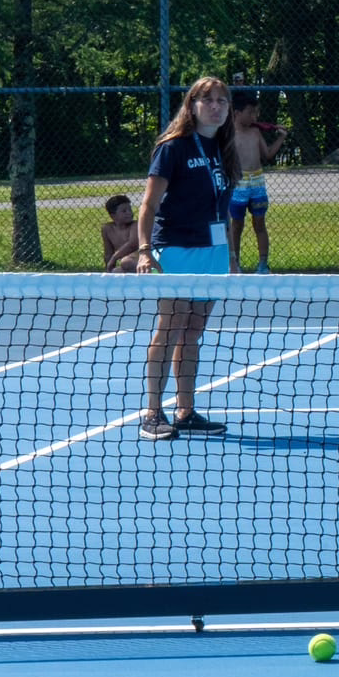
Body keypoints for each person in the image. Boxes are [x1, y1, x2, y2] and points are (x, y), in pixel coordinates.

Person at [131, 76, 235, 440]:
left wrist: (231, 255)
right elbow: (148, 204)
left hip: (214, 254)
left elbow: (222, 209)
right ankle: (152, 412)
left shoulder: (224, 147)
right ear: (192, 105)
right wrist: (145, 250)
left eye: (222, 101)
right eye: (208, 100)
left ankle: (186, 410)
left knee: (193, 331)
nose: (217, 107)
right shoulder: (172, 147)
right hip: (175, 249)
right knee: (170, 328)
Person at [225, 90, 287, 274]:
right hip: (238, 184)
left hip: (257, 183)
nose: (255, 116)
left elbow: (267, 154)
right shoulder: (227, 134)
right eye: (250, 112)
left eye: (255, 112)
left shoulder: (255, 132)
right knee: (236, 225)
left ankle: (263, 264)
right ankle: (234, 263)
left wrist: (281, 137)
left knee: (259, 224)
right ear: (236, 113)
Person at [100, 194, 141, 272]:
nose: (129, 213)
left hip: (139, 259)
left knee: (127, 262)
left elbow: (132, 244)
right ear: (113, 216)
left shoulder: (135, 225)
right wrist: (108, 268)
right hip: (126, 264)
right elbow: (108, 253)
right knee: (115, 272)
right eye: (124, 211)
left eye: (130, 209)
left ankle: (153, 271)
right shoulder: (107, 229)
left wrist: (114, 258)